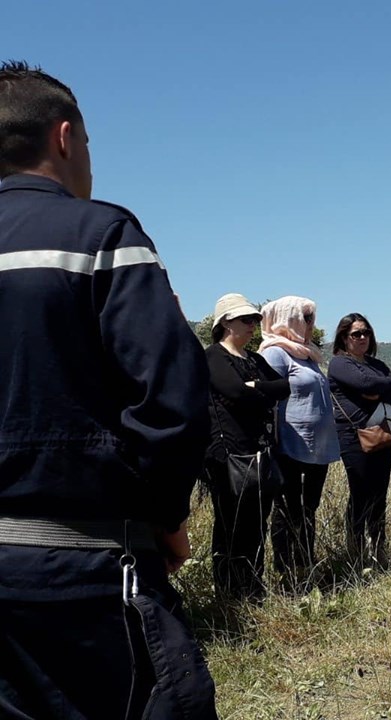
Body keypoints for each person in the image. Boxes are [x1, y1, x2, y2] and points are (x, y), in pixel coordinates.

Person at [0, 61, 217, 717]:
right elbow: (172, 399)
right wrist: (164, 517)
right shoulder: (101, 235)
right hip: (82, 573)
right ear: (65, 138)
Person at [205, 293, 290, 601]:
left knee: (256, 526)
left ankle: (253, 589)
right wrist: (255, 393)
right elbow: (233, 392)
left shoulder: (254, 359)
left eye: (256, 320)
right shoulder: (214, 356)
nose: (254, 325)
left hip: (259, 454)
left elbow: (284, 387)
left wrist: (256, 389)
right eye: (247, 320)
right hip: (227, 456)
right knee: (230, 527)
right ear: (226, 322)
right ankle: (228, 594)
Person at [259, 296, 339, 589]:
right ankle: (285, 573)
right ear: (286, 318)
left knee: (308, 509)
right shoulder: (275, 354)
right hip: (289, 446)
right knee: (287, 511)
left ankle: (305, 566)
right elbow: (269, 399)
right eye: (304, 317)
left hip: (317, 448)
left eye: (311, 318)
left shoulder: (309, 355)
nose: (309, 324)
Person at [328, 313, 391, 570]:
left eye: (366, 333)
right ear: (344, 338)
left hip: (379, 435)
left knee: (379, 494)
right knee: (360, 493)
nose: (362, 338)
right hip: (352, 436)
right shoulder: (339, 364)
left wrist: (376, 388)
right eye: (356, 334)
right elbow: (368, 382)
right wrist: (379, 386)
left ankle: (379, 548)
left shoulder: (376, 364)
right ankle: (356, 551)